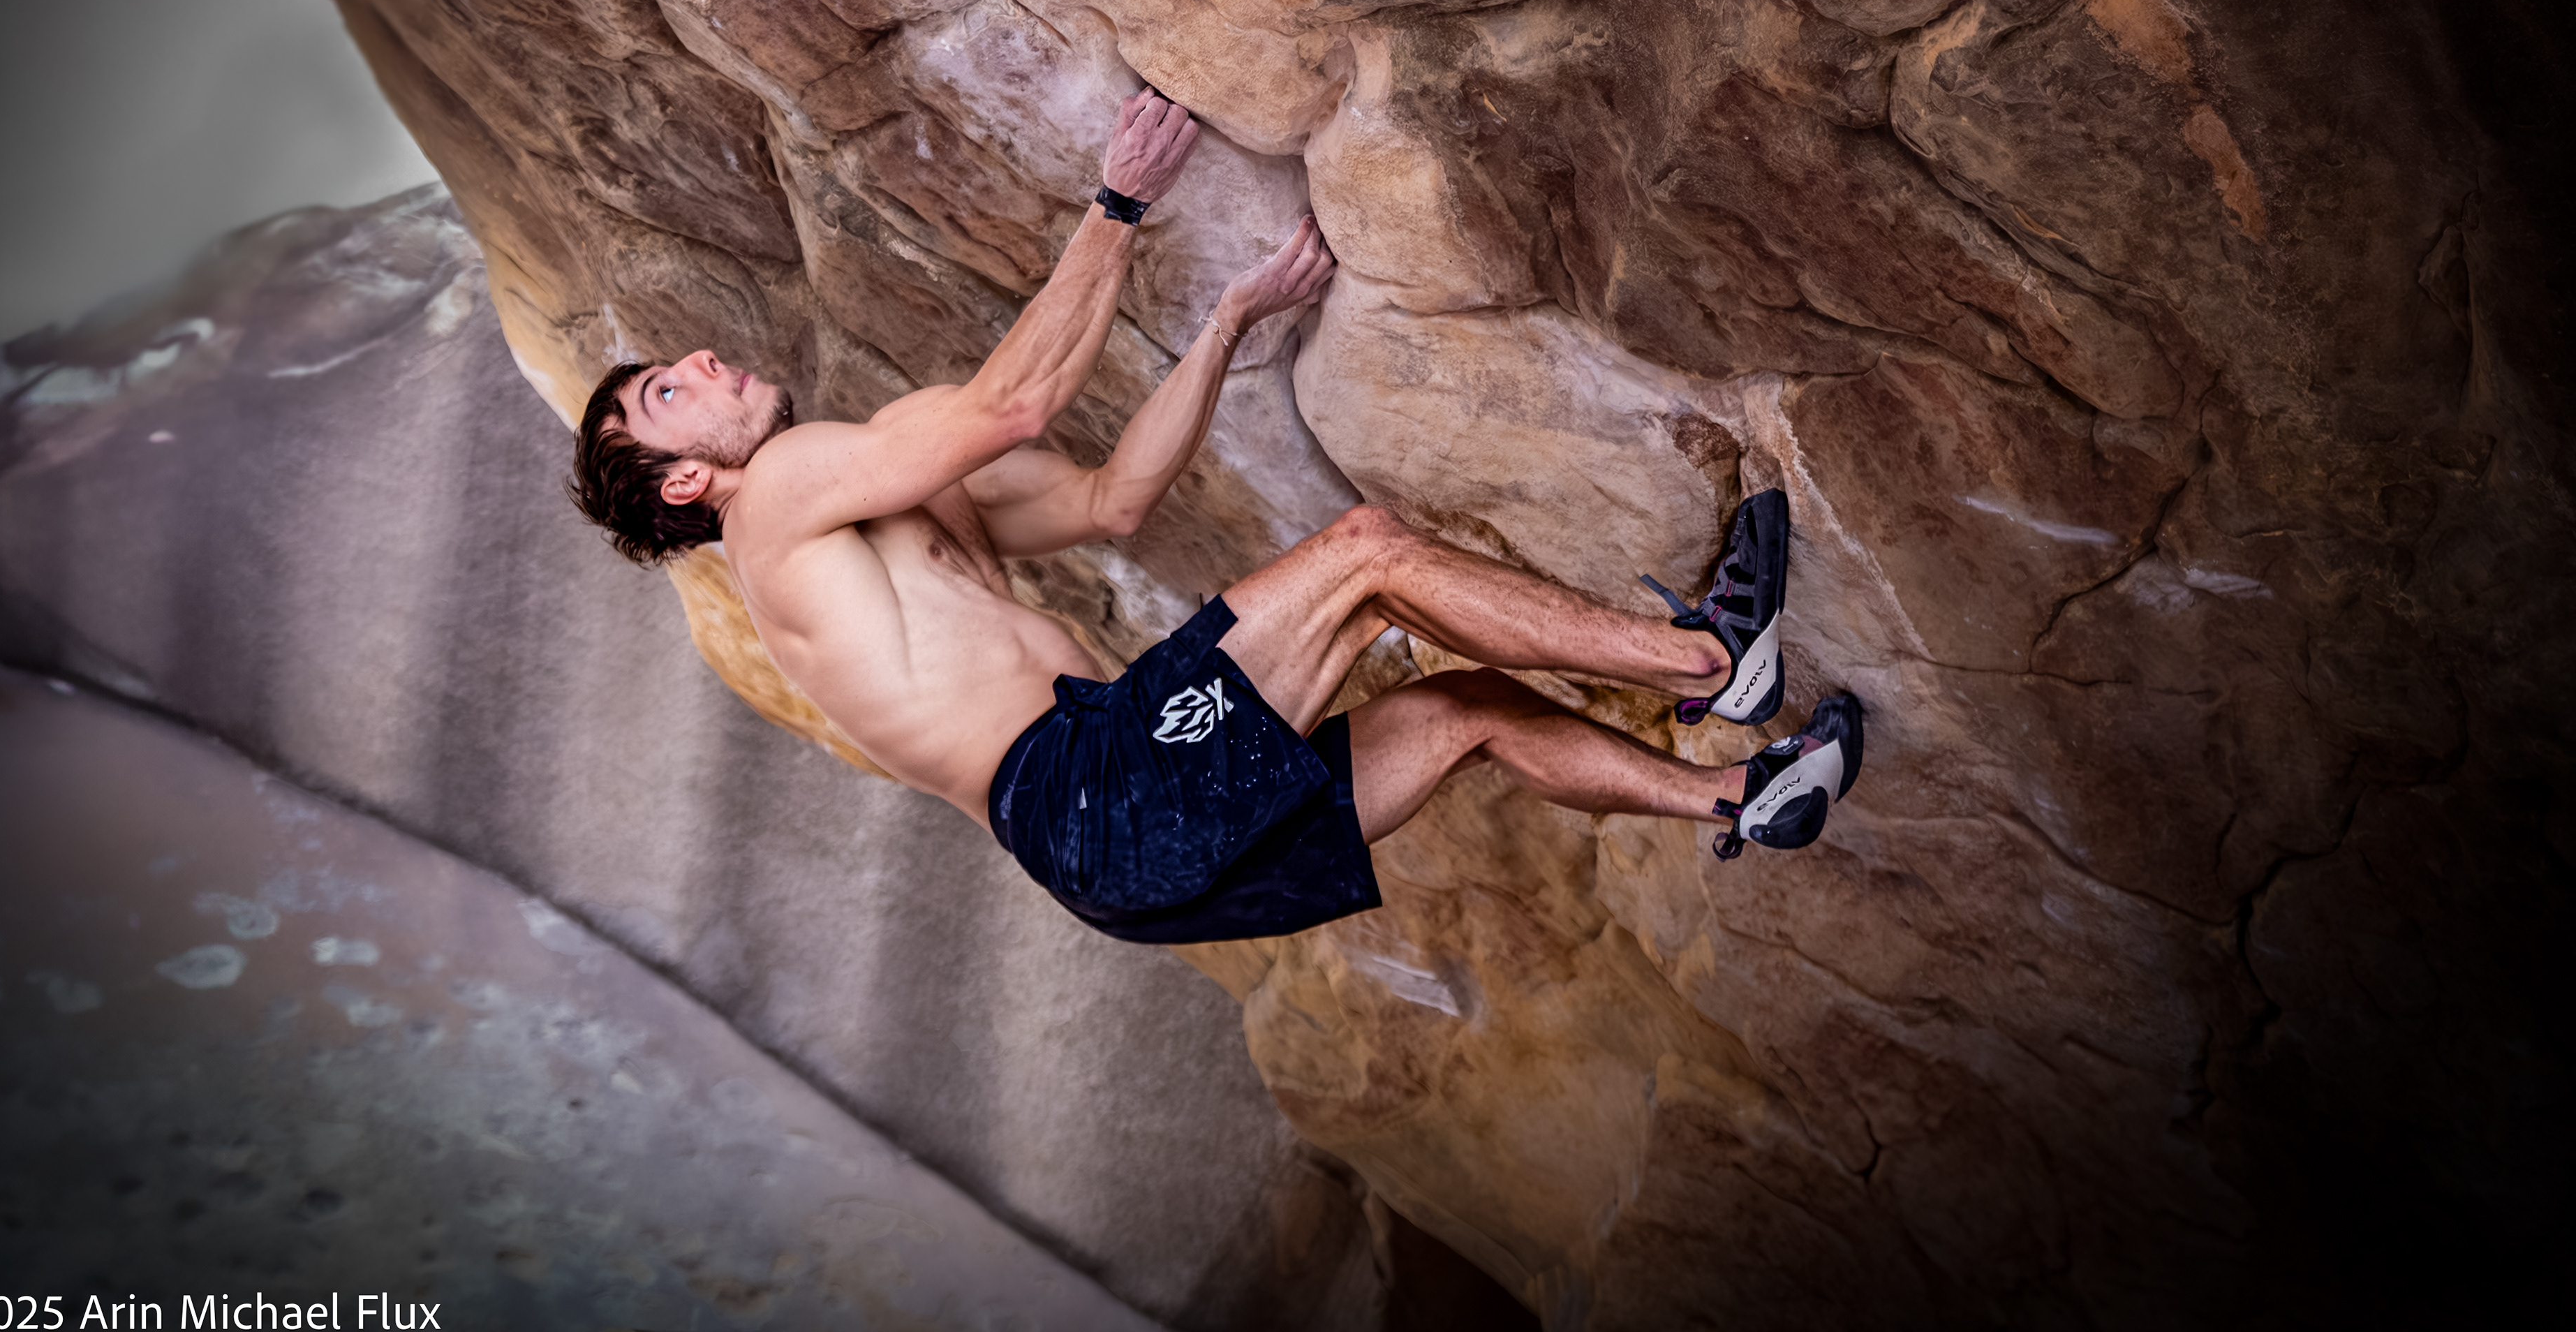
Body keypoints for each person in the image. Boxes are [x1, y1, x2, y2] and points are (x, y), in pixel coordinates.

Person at [570, 89, 1864, 943]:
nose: (700, 363)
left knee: (1462, 716)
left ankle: (1741, 797)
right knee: (1365, 556)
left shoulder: (874, 513)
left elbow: (1112, 500)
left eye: (675, 364)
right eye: (668, 395)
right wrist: (1119, 202)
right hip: (1091, 794)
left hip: (1114, 859)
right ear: (687, 484)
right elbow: (1013, 405)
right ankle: (1711, 662)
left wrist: (1232, 323)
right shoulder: (775, 497)